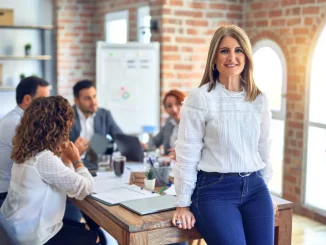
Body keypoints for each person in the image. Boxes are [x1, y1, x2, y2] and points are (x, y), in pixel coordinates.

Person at [172, 25, 276, 245]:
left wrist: (266, 190)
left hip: (256, 189)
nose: (232, 57)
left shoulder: (259, 99)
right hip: (214, 191)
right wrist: (182, 203)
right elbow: (187, 153)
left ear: (246, 57)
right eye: (224, 51)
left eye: (239, 50)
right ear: (214, 58)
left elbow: (264, 147)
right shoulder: (200, 99)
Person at [1, 96, 97, 245]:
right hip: (34, 237)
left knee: (85, 228)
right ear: (58, 127)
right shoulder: (44, 158)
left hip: (17, 229)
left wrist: (66, 160)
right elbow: (85, 188)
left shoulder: (27, 151)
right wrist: (76, 160)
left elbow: (66, 181)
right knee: (95, 238)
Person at [0, 76, 50, 205]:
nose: (47, 106)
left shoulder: (16, 119)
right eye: (43, 100)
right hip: (7, 196)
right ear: (27, 99)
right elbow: (42, 159)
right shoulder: (17, 124)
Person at [69, 80, 124, 155]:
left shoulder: (105, 115)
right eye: (88, 98)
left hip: (99, 163)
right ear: (76, 101)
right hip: (74, 163)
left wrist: (134, 144)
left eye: (94, 96)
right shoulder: (66, 116)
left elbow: (121, 138)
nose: (93, 102)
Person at [147, 90, 186, 160]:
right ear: (166, 109)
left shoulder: (193, 124)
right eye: (169, 106)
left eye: (178, 104)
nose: (174, 109)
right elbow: (154, 141)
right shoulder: (169, 122)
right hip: (168, 165)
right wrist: (147, 146)